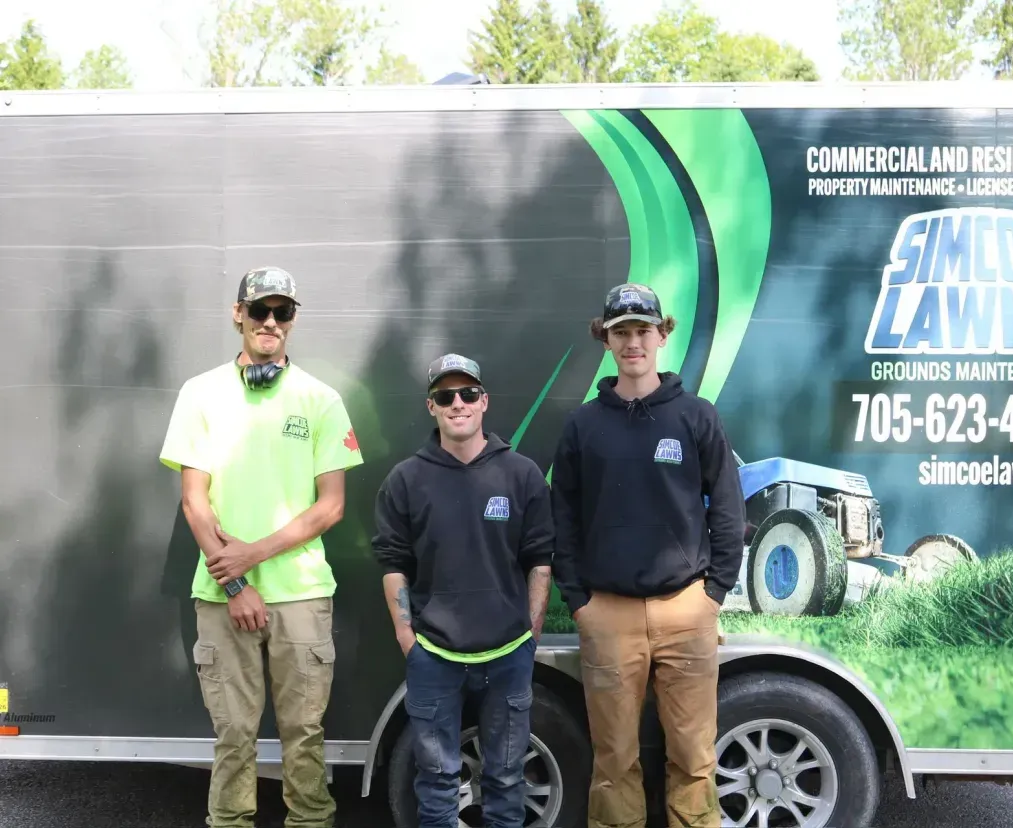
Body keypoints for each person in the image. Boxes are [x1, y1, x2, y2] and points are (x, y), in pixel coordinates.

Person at [159, 265, 364, 828]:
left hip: (300, 595)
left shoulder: (321, 400)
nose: (270, 322)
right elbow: (194, 503)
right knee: (234, 736)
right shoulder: (200, 394)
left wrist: (252, 555)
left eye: (283, 312)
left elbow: (332, 507)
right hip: (224, 597)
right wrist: (235, 582)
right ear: (238, 315)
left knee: (305, 736)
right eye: (259, 311)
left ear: (294, 321)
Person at [549, 283, 745, 828]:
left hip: (687, 608)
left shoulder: (696, 416)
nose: (633, 342)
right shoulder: (583, 425)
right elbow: (560, 516)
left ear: (662, 335)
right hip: (607, 613)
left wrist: (713, 594)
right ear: (606, 340)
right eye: (621, 333)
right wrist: (579, 600)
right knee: (613, 760)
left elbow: (727, 507)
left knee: (694, 757)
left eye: (642, 330)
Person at [371, 353, 555, 828]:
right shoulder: (406, 481)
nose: (458, 403)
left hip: (509, 651)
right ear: (431, 407)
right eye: (445, 396)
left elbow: (539, 559)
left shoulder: (521, 474)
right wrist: (407, 639)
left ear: (484, 401)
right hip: (433, 654)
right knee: (435, 781)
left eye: (468, 393)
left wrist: (531, 631)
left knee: (507, 778)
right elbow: (393, 565)